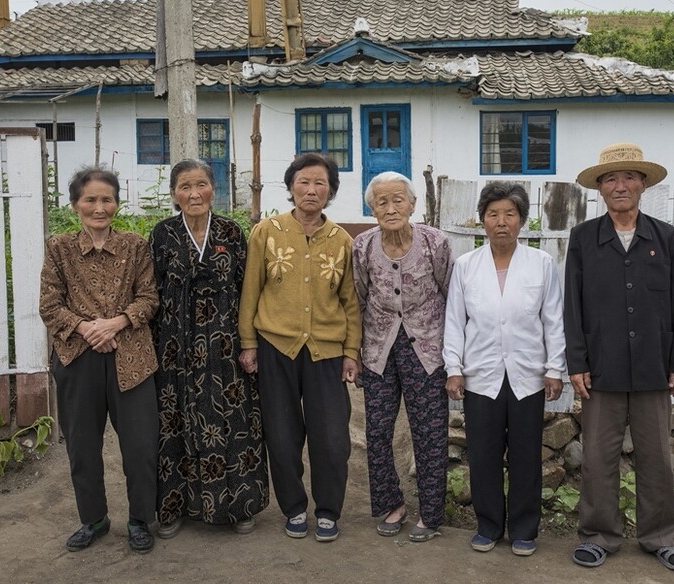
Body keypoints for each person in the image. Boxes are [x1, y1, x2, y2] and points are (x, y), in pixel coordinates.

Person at [564, 142, 674, 572]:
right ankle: (598, 536)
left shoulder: (667, 238)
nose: (620, 186)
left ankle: (661, 537)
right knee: (598, 459)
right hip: (601, 368)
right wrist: (577, 363)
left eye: (629, 177)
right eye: (611, 179)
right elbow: (573, 306)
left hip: (654, 367)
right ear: (600, 188)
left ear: (643, 184)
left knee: (656, 457)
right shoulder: (584, 238)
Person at [238, 153, 362, 543]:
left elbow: (350, 302)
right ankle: (293, 507)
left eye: (320, 183)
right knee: (281, 434)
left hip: (327, 351)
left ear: (331, 191)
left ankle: (327, 511)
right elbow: (250, 291)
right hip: (276, 347)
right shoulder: (267, 232)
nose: (311, 190)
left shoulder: (341, 240)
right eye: (304, 182)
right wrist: (248, 344)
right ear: (291, 187)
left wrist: (351, 351)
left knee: (332, 438)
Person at [38, 166, 159, 554]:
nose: (99, 207)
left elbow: (149, 298)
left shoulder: (135, 246)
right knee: (82, 445)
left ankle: (140, 519)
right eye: (90, 199)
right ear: (75, 204)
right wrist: (88, 328)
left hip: (132, 357)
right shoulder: (59, 248)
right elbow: (49, 305)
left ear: (117, 204)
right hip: (78, 356)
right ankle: (93, 519)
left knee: (141, 446)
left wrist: (116, 323)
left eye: (107, 199)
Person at [442, 181, 566, 556]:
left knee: (526, 456)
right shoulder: (466, 266)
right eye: (493, 214)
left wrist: (555, 368)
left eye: (509, 214)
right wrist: (454, 367)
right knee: (483, 455)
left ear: (521, 220)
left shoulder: (541, 264)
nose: (501, 222)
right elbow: (455, 321)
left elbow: (553, 320)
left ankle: (524, 529)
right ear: (482, 220)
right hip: (481, 376)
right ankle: (489, 525)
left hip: (528, 376)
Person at [150, 159, 269, 540]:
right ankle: (174, 507)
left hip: (225, 347)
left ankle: (239, 506)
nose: (194, 193)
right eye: (185, 186)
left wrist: (250, 344)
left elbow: (248, 291)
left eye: (201, 184)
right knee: (175, 423)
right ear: (174, 194)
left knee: (233, 423)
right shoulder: (163, 234)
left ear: (213, 190)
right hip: (175, 349)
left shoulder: (231, 232)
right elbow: (151, 293)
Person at [352, 172, 453, 543]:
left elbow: (452, 294)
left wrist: (455, 355)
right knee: (378, 431)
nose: (391, 208)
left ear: (413, 204)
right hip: (378, 349)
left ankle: (431, 513)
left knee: (429, 432)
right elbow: (357, 298)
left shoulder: (435, 242)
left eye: (398, 200)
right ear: (372, 208)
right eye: (382, 202)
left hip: (426, 350)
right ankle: (392, 504)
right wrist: (354, 351)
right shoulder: (362, 245)